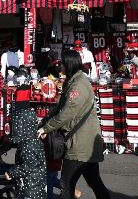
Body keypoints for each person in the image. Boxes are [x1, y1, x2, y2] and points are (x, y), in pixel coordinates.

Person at [37, 49, 109, 199]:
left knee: (67, 185)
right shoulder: (75, 80)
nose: (59, 66)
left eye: (61, 63)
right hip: (85, 143)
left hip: (79, 144)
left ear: (69, 64)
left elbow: (67, 113)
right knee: (94, 181)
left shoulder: (78, 85)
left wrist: (46, 127)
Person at [6, 85, 46, 199]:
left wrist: (12, 173)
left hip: (31, 189)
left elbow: (28, 166)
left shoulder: (28, 145)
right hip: (32, 186)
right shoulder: (31, 140)